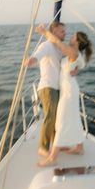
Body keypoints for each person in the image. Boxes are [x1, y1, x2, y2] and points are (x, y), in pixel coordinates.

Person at [35, 24, 93, 166]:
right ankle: (79, 147)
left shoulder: (73, 52)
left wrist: (45, 32)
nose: (69, 36)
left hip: (68, 91)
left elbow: (57, 42)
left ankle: (52, 157)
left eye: (73, 36)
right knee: (73, 117)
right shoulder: (73, 53)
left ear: (77, 42)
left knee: (60, 120)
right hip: (68, 89)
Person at [25, 21, 66, 157]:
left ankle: (56, 143)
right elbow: (38, 54)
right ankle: (42, 147)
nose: (64, 33)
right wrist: (31, 60)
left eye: (64, 31)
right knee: (50, 116)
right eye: (61, 31)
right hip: (47, 86)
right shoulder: (47, 45)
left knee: (57, 117)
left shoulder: (59, 48)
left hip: (56, 87)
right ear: (53, 33)